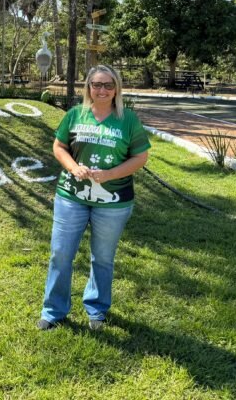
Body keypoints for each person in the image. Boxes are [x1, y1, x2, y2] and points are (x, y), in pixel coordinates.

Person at [38, 65, 151, 331]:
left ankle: (96, 310)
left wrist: (110, 174)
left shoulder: (128, 119)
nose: (102, 90)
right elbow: (59, 146)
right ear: (88, 87)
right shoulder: (75, 115)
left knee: (102, 257)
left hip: (114, 201)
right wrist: (73, 167)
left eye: (108, 85)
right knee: (60, 254)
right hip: (71, 196)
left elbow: (141, 156)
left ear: (116, 89)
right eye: (96, 84)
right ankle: (53, 310)